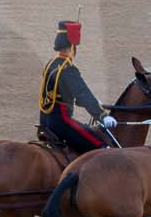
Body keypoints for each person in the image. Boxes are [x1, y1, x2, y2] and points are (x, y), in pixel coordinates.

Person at [40, 22, 115, 153]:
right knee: (102, 148)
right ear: (73, 46)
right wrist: (102, 116)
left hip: (45, 121)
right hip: (62, 123)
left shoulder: (51, 64)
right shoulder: (67, 68)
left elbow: (66, 94)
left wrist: (94, 102)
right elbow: (82, 94)